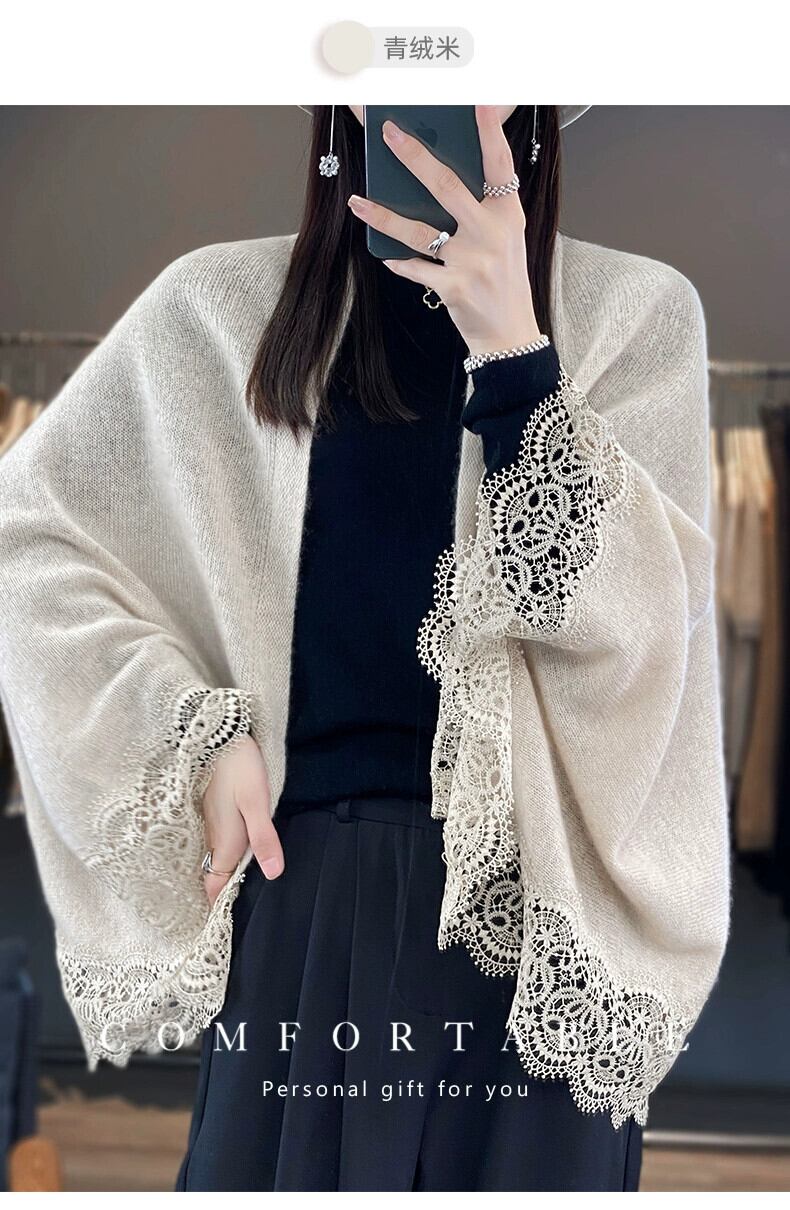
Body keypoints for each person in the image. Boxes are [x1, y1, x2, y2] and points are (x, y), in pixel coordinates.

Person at [0, 106, 730, 1192]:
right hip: (304, 913)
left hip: (537, 938)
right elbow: (29, 539)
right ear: (339, 101)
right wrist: (197, 733)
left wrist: (517, 359)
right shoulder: (220, 311)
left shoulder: (637, 316)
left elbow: (643, 642)